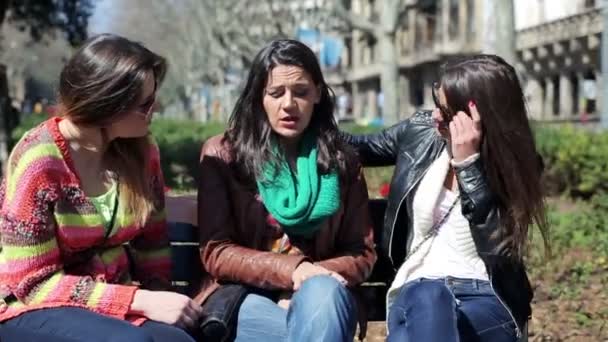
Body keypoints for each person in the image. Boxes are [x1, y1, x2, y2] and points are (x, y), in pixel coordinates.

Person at [0, 34, 200, 342]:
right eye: (145, 104)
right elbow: (32, 283)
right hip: (29, 306)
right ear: (106, 105)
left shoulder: (142, 153)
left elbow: (153, 244)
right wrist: (139, 301)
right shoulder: (39, 160)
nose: (156, 107)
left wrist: (162, 298)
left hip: (110, 299)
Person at [344, 54, 549, 341]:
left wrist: (469, 167)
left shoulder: (518, 166)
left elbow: (499, 251)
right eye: (436, 104)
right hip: (418, 291)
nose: (436, 116)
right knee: (431, 294)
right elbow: (357, 147)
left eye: (447, 111)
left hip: (488, 298)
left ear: (482, 116)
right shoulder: (421, 132)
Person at [195, 39, 377, 342]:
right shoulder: (225, 155)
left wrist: (309, 281)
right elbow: (217, 251)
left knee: (320, 300)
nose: (288, 104)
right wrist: (292, 272)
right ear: (259, 97)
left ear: (318, 93)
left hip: (325, 296)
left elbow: (360, 252)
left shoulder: (341, 161)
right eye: (276, 93)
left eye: (301, 92)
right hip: (243, 297)